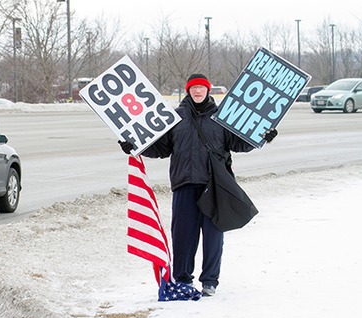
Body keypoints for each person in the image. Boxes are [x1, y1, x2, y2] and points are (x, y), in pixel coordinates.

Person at [119, 73, 277, 297]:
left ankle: (210, 281)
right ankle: (183, 278)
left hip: (213, 185)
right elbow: (162, 148)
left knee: (213, 235)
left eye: (202, 88)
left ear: (208, 90)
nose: (198, 91)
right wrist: (136, 146)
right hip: (184, 183)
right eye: (194, 88)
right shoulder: (175, 117)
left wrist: (263, 137)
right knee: (183, 234)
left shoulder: (223, 117)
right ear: (188, 91)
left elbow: (239, 143)